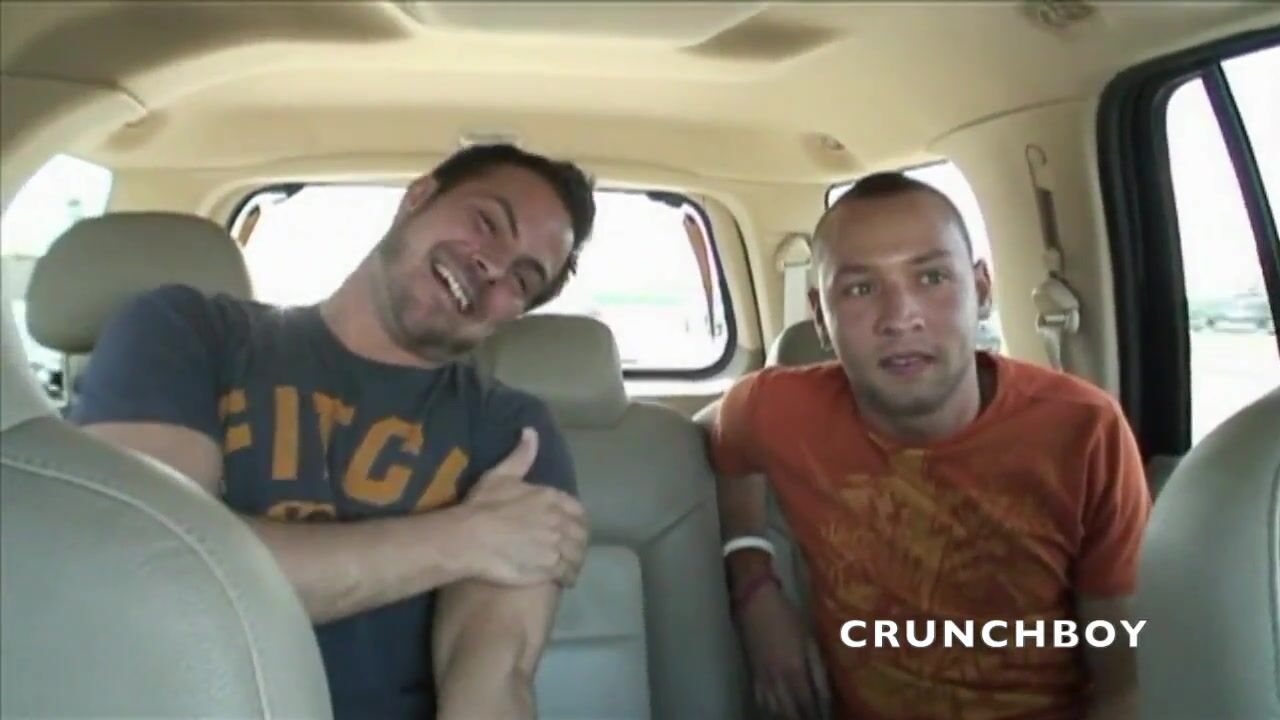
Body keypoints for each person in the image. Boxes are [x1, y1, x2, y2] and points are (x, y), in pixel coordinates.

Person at [69, 144, 596, 720]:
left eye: (522, 278)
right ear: (419, 197)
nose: (493, 268)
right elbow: (153, 573)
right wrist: (463, 539)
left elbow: (491, 684)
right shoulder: (186, 334)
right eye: (487, 222)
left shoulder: (513, 435)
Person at [701, 172, 1151, 720]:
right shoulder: (775, 408)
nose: (900, 318)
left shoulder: (1083, 430)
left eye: (932, 277)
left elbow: (1122, 675)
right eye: (861, 289)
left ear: (981, 291)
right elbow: (728, 447)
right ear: (820, 316)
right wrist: (754, 585)